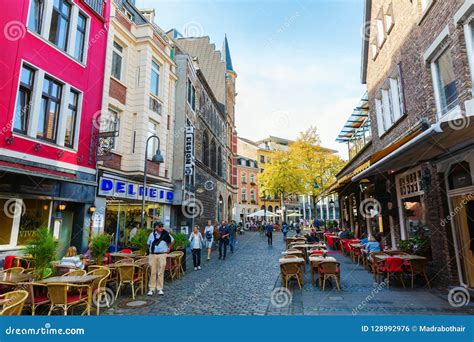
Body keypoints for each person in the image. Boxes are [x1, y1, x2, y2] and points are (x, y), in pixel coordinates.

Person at [147, 222, 174, 296]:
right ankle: (151, 289)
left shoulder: (165, 234)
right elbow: (148, 244)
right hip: (153, 255)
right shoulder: (151, 235)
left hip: (162, 255)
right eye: (160, 226)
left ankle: (159, 289)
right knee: (152, 272)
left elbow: (172, 240)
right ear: (156, 227)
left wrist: (169, 248)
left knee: (160, 272)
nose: (162, 227)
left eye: (162, 226)